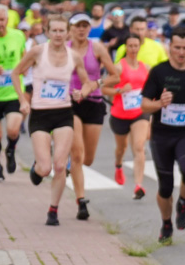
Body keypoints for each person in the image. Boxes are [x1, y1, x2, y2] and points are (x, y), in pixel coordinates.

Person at [12, 14, 92, 226]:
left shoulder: (74, 56)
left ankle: (53, 210)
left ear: (68, 33)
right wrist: (23, 100)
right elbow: (16, 73)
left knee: (59, 165)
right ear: (47, 32)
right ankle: (37, 168)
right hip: (40, 114)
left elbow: (87, 82)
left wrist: (81, 93)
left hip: (63, 113)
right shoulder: (38, 52)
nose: (58, 34)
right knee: (45, 168)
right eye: (54, 31)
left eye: (61, 31)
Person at [141, 26, 185, 242]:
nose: (181, 52)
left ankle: (183, 202)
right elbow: (144, 106)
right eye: (177, 47)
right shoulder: (159, 72)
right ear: (170, 46)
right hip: (161, 135)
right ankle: (166, 223)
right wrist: (159, 104)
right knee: (165, 186)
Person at [67, 12, 118, 221]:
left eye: (85, 26)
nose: (81, 29)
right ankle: (81, 201)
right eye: (78, 26)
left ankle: (68, 160)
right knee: (77, 155)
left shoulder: (96, 48)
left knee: (88, 159)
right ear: (71, 28)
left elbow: (115, 75)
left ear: (89, 28)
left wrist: (95, 84)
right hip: (69, 102)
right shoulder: (64, 48)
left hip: (94, 103)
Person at [104, 33, 150, 200]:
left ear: (140, 47)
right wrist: (119, 90)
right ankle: (118, 165)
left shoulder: (146, 67)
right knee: (121, 148)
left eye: (136, 46)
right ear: (125, 47)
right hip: (120, 113)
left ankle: (138, 185)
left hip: (139, 112)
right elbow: (103, 88)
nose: (133, 49)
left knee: (139, 146)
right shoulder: (118, 67)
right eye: (130, 46)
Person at [0, 4, 27, 181]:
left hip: (14, 92)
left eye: (2, 19)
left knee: (13, 131)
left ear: (7, 20)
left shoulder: (18, 36)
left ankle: (11, 150)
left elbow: (24, 55)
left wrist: (25, 67)